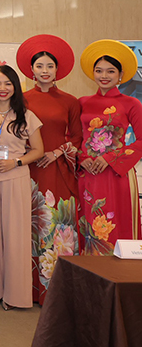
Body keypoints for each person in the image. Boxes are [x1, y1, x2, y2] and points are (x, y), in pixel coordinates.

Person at [16, 34, 82, 303]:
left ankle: (57, 293)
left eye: (49, 66)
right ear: (31, 69)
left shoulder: (70, 101)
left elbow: (77, 137)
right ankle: (28, 289)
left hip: (57, 171)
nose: (44, 71)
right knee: (29, 226)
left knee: (57, 227)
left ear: (58, 70)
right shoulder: (21, 99)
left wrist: (56, 152)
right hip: (29, 171)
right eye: (39, 66)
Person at [0, 65, 44, 310]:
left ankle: (15, 295)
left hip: (15, 178)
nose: (2, 88)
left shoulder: (26, 115)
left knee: (15, 237)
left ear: (15, 86)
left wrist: (16, 161)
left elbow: (38, 150)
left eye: (8, 83)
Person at [77, 40, 142, 253]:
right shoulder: (82, 102)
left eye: (110, 71)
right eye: (99, 71)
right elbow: (73, 137)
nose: (104, 75)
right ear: (92, 73)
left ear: (120, 74)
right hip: (88, 173)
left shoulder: (131, 103)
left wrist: (108, 159)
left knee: (116, 227)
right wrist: (82, 158)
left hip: (117, 174)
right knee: (88, 229)